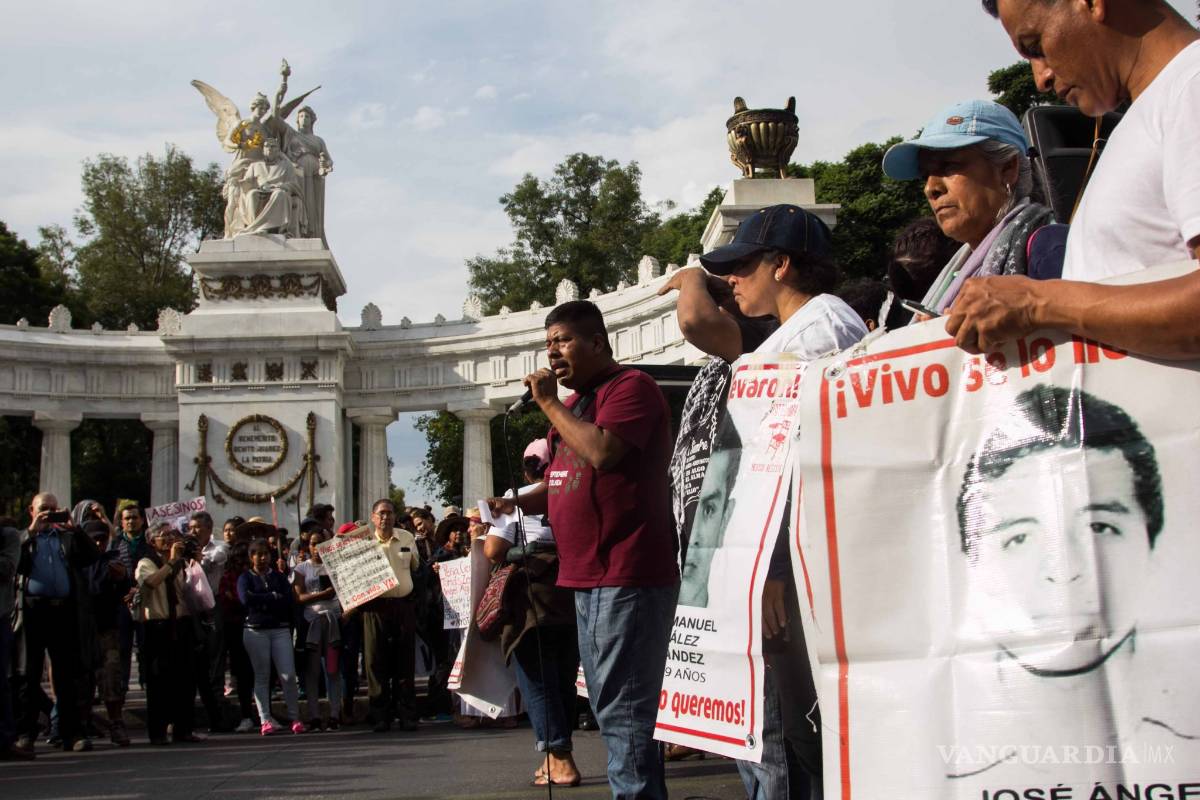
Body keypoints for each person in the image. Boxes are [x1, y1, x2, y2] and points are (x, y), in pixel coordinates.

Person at [697, 204, 869, 799]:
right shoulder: (801, 330)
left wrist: (770, 571)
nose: (731, 279)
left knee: (796, 735)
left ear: (783, 264)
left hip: (791, 570)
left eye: (742, 264)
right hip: (777, 565)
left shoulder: (822, 330)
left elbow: (800, 461)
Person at [948, 383, 1193, 782]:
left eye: (1099, 526)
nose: (1063, 570)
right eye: (1018, 537)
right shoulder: (931, 770)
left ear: (1153, 542)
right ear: (971, 561)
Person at [489, 299, 678, 800]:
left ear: (597, 342)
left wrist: (549, 404)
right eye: (548, 343)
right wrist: (510, 501)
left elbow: (601, 452)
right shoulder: (575, 407)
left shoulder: (630, 388)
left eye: (563, 340)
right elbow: (560, 478)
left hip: (627, 571)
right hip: (586, 576)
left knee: (624, 704)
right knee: (607, 699)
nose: (552, 352)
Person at [948, 0, 1200, 358]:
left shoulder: (1191, 86)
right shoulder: (1159, 105)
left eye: (1035, 47)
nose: (1042, 77)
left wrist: (1038, 302)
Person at [881, 99, 1054, 315]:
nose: (930, 188)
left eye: (949, 166)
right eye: (925, 175)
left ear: (1008, 168)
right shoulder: (959, 273)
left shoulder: (1050, 249)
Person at [484, 439, 582, 787]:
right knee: (563, 679)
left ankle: (559, 758)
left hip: (533, 599)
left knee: (538, 679)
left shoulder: (518, 495)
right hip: (573, 593)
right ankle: (554, 756)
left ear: (527, 469)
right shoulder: (574, 486)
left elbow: (494, 549)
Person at [15, 492, 99, 754]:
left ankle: (70, 733)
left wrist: (74, 528)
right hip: (33, 610)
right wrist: (32, 530)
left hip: (64, 612)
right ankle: (25, 734)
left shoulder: (67, 537)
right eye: (44, 509)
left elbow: (92, 556)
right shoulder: (25, 538)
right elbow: (13, 561)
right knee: (28, 674)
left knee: (66, 675)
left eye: (53, 509)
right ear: (32, 510)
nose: (49, 514)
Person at [136, 523, 201, 745]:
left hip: (180, 624)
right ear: (153, 541)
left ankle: (183, 728)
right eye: (164, 537)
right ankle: (158, 731)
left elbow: (188, 592)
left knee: (184, 679)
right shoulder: (146, 563)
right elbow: (151, 582)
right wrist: (171, 562)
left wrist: (192, 564)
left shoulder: (180, 564)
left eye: (172, 536)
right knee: (159, 682)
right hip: (158, 626)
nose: (170, 540)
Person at [361, 498, 421, 733]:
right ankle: (379, 715)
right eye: (381, 513)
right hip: (375, 608)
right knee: (375, 662)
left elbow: (416, 567)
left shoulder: (406, 537)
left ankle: (407, 714)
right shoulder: (363, 541)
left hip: (403, 606)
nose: (385, 517)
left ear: (395, 517)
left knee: (404, 662)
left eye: (389, 513)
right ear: (373, 517)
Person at [237, 537, 305, 735]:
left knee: (288, 675)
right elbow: (245, 599)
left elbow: (286, 599)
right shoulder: (245, 578)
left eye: (265, 554)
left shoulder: (278, 577)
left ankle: (295, 717)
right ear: (251, 557)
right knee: (262, 675)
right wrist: (270, 597)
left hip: (280, 629)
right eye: (258, 554)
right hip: (255, 630)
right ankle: (265, 718)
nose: (262, 558)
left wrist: (267, 599)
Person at [80, 519, 133, 746]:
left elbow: (124, 590)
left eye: (103, 539)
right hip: (81, 630)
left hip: (106, 629)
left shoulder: (112, 559)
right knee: (81, 680)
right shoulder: (77, 562)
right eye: (95, 540)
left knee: (111, 676)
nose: (100, 544)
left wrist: (122, 578)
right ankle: (80, 728)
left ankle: (116, 723)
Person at [292, 529, 342, 731]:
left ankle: (334, 714)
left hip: (332, 621)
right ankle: (314, 715)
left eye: (321, 543)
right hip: (311, 621)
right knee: (312, 671)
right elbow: (300, 597)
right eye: (313, 544)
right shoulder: (301, 569)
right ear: (308, 546)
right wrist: (324, 594)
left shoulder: (335, 565)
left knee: (332, 669)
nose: (317, 548)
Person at [187, 511, 229, 732]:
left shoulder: (218, 547)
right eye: (191, 527)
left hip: (212, 608)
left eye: (198, 527)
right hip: (189, 610)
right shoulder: (183, 550)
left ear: (209, 529)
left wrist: (197, 555)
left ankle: (217, 715)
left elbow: (218, 559)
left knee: (214, 662)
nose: (193, 531)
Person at [217, 543, 257, 733]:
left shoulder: (257, 576)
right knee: (243, 675)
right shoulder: (228, 578)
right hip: (236, 630)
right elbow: (234, 601)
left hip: (258, 627)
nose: (243, 564)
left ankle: (265, 713)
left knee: (261, 673)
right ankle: (246, 714)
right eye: (239, 560)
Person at [0, 520, 31, 760]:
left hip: (0, 618)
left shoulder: (8, 535)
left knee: (2, 681)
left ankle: (5, 740)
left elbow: (7, 568)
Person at [238, 137, 305, 237]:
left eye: (273, 146)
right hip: (260, 191)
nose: (269, 148)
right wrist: (243, 183)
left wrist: (280, 186)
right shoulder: (255, 165)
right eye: (267, 146)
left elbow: (294, 184)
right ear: (263, 150)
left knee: (279, 194)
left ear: (278, 151)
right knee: (251, 195)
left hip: (278, 191)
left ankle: (266, 227)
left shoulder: (286, 165)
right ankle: (253, 227)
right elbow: (247, 183)